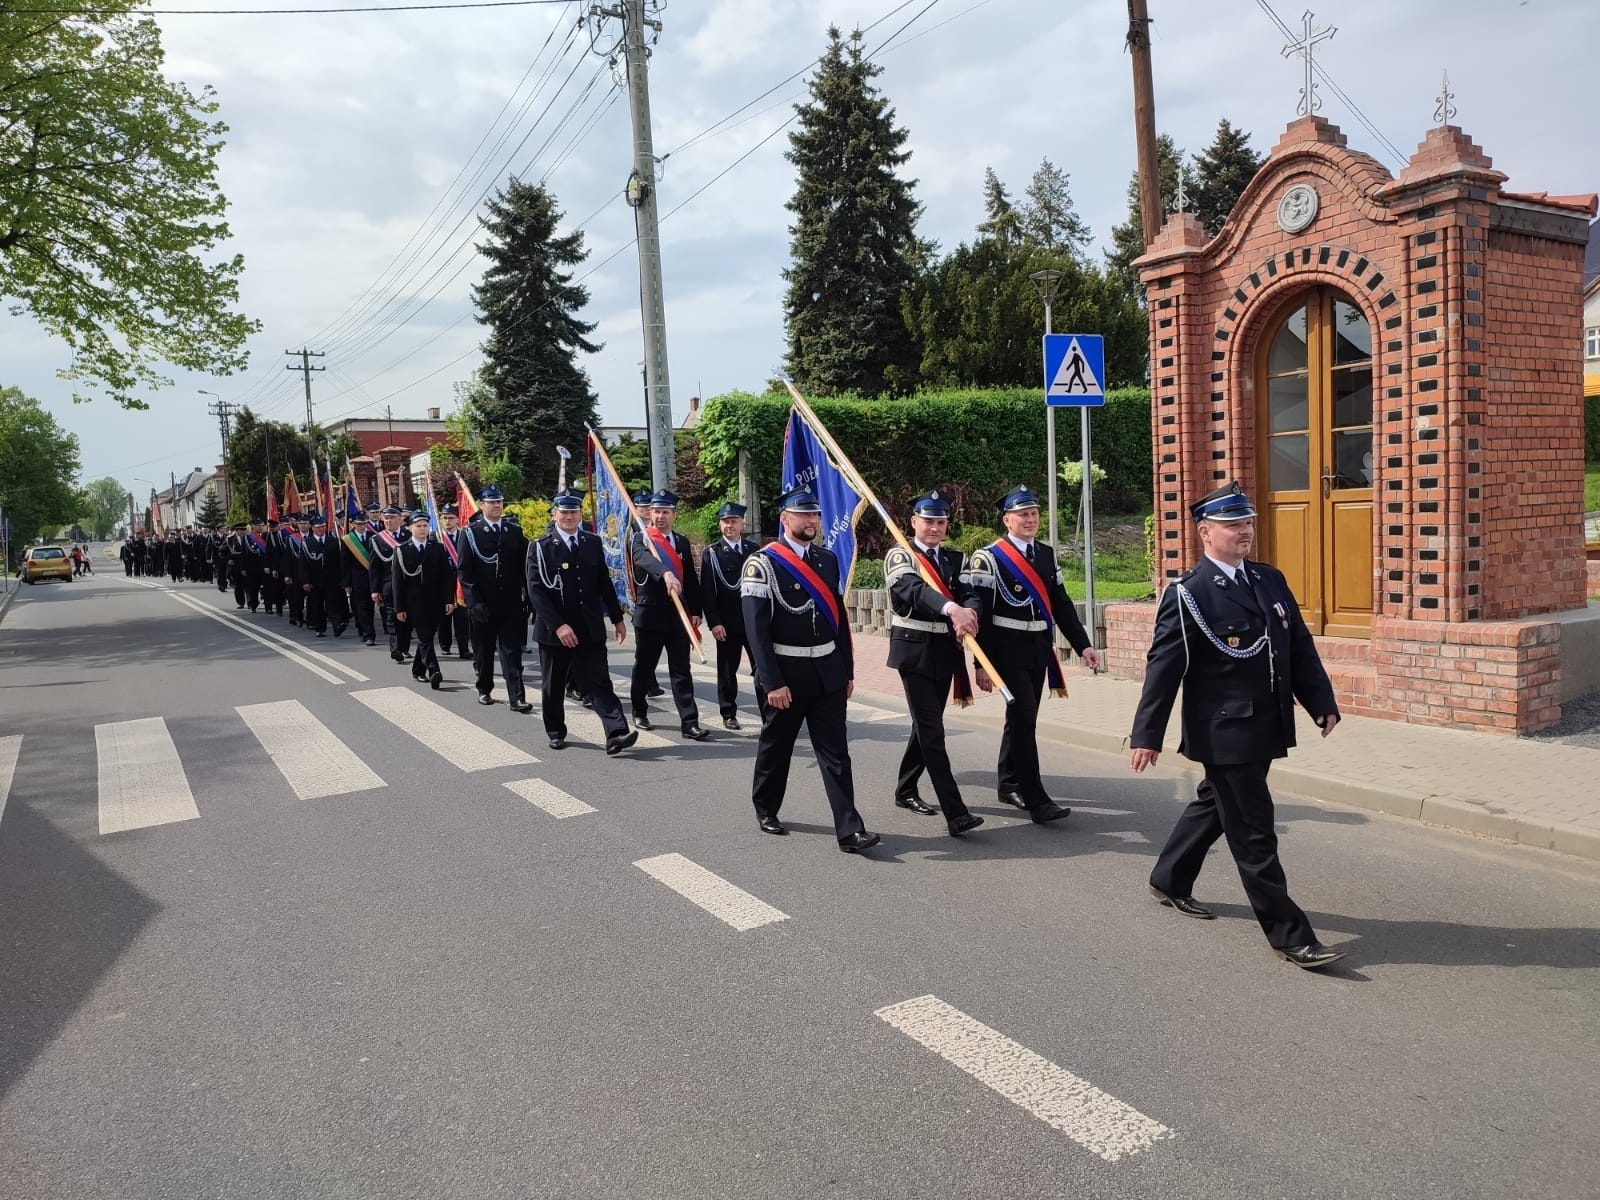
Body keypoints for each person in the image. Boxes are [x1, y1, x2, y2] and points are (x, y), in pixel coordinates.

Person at [1130, 482, 1344, 971]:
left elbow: (1298, 645)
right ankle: (1290, 935)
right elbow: (1163, 669)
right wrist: (1147, 734)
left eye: (1247, 522)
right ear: (1205, 533)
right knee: (1254, 831)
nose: (1244, 531)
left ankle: (1169, 877)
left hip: (1266, 723)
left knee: (1215, 803)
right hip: (1223, 732)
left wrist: (1320, 700)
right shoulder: (1189, 594)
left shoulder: (1269, 579)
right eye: (1232, 525)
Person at [741, 489, 878, 853]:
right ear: (785, 518)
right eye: (803, 514)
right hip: (786, 674)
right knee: (777, 748)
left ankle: (850, 830)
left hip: (827, 672)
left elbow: (838, 620)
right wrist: (772, 681)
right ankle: (766, 807)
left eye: (815, 514)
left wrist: (847, 671)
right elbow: (756, 631)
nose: (811, 520)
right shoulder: (762, 564)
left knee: (836, 753)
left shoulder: (827, 560)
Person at [966, 485, 1099, 823]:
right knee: (1024, 720)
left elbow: (1061, 604)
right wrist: (982, 664)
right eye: (1023, 514)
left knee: (1021, 719)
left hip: (1039, 649)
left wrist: (1083, 645)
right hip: (1007, 651)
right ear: (1007, 519)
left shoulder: (1046, 554)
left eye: (1034, 513)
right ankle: (1036, 799)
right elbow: (982, 615)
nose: (1030, 519)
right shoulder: (989, 557)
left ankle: (1008, 782)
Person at [884, 490, 985, 836]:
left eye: (940, 522)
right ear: (914, 522)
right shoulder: (901, 555)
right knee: (932, 730)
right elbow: (913, 591)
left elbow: (970, 593)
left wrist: (970, 612)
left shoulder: (955, 558)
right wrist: (952, 608)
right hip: (913, 651)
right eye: (928, 521)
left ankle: (905, 789)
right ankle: (956, 813)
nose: (934, 528)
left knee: (926, 725)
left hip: (945, 650)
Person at [527, 489, 638, 755]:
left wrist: (617, 618)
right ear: (554, 515)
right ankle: (555, 731)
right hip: (555, 631)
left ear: (580, 514)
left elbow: (604, 582)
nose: (569, 517)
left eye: (573, 512)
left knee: (599, 681)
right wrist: (558, 625)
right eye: (564, 512)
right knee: (553, 685)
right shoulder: (540, 547)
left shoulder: (592, 542)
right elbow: (536, 592)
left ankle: (616, 733)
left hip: (589, 627)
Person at [627, 489, 709, 741]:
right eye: (656, 511)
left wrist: (696, 611)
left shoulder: (681, 542)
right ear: (650, 513)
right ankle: (639, 711)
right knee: (644, 668)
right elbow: (641, 559)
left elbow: (691, 579)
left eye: (665, 512)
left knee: (681, 670)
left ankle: (689, 722)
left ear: (674, 514)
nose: (660, 516)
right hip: (650, 615)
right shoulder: (642, 538)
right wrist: (665, 572)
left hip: (677, 616)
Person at [456, 485, 531, 712]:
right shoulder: (470, 533)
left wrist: (528, 596)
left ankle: (517, 697)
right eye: (492, 502)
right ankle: (484, 689)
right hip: (483, 603)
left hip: (510, 603)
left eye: (499, 502)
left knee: (512, 652)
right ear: (482, 505)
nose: (497, 506)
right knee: (484, 650)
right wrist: (474, 601)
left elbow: (524, 567)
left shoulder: (513, 531)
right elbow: (465, 571)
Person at [699, 501, 760, 730]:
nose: (729, 525)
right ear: (720, 524)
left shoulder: (754, 550)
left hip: (754, 622)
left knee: (762, 669)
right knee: (727, 671)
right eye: (725, 521)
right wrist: (714, 623)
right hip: (727, 623)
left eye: (734, 521)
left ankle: (769, 712)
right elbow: (707, 592)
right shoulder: (712, 553)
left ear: (742, 523)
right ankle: (728, 713)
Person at [395, 511, 455, 689]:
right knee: (425, 636)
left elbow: (446, 577)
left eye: (425, 526)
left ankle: (417, 670)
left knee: (426, 637)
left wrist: (449, 600)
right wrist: (399, 608)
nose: (422, 529)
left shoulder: (437, 548)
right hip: (413, 602)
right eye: (418, 526)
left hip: (435, 601)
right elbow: (398, 582)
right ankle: (434, 671)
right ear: (410, 528)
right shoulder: (402, 550)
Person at [368, 506, 411, 663]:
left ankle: (404, 646)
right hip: (389, 585)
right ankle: (395, 648)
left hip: (409, 585)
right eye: (386, 518)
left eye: (392, 518)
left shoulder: (409, 535)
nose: (388, 521)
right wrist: (375, 589)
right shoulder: (377, 539)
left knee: (407, 619)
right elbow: (374, 567)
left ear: (400, 519)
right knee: (392, 617)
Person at [435, 504, 472, 661]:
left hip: (460, 581)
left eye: (451, 518)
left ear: (457, 519)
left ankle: (464, 648)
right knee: (445, 615)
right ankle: (445, 644)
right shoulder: (436, 536)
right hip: (443, 581)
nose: (447, 521)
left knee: (462, 617)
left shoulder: (465, 535)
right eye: (444, 518)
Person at [344, 504, 380, 645]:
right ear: (353, 524)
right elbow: (344, 563)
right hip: (357, 580)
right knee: (361, 607)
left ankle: (366, 630)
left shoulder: (373, 537)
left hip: (373, 578)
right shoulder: (348, 540)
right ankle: (368, 635)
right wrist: (346, 583)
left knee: (370, 608)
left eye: (364, 524)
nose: (362, 526)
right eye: (359, 524)